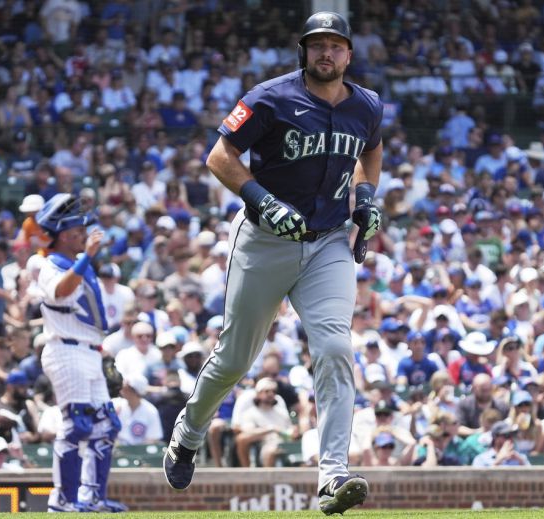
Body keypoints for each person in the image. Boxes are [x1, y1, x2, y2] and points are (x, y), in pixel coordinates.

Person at [164, 12, 383, 516]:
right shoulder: (270, 97)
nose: (326, 53)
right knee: (235, 358)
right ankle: (189, 432)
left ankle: (332, 474)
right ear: (303, 51)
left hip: (329, 241)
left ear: (349, 54)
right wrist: (261, 199)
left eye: (336, 45)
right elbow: (220, 156)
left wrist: (367, 196)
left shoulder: (367, 105)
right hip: (266, 241)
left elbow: (370, 153)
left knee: (334, 347)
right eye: (317, 44)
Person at [34, 194, 127, 513]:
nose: (83, 235)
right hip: (65, 349)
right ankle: (62, 500)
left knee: (107, 425)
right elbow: (61, 291)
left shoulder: (79, 264)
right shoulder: (48, 264)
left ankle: (92, 497)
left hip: (88, 351)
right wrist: (87, 256)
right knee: (77, 426)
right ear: (62, 235)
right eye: (77, 232)